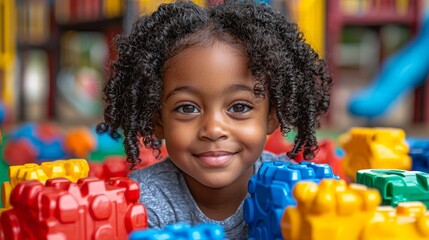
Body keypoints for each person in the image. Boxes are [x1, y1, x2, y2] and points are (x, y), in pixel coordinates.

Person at [97, 0, 332, 238]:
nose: (213, 129)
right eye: (188, 108)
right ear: (158, 121)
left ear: (271, 117)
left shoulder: (298, 192)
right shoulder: (142, 203)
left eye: (239, 107)